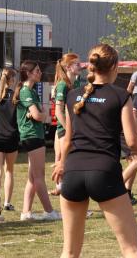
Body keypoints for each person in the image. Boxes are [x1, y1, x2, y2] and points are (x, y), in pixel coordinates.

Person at [52, 43, 137, 258]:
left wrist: (61, 163)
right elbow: (133, 142)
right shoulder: (121, 96)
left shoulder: (73, 95)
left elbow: (67, 139)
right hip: (103, 172)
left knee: (69, 252)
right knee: (131, 249)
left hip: (73, 172)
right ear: (115, 67)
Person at [14, 60, 60, 221]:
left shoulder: (31, 91)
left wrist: (41, 114)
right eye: (37, 71)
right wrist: (44, 114)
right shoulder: (26, 91)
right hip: (32, 135)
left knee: (33, 177)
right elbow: (37, 115)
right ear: (28, 73)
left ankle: (26, 212)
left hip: (35, 134)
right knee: (39, 176)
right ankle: (49, 212)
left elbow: (36, 114)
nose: (40, 73)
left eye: (40, 70)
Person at [0, 68, 19, 215]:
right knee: (9, 170)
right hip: (11, 137)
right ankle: (7, 202)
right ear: (11, 80)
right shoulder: (15, 97)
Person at [52, 53, 82, 196]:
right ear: (68, 67)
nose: (80, 66)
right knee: (65, 161)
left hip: (72, 128)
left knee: (63, 160)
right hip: (65, 129)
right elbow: (58, 112)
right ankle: (63, 189)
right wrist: (70, 129)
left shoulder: (76, 83)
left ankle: (61, 188)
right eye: (77, 64)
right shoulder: (63, 84)